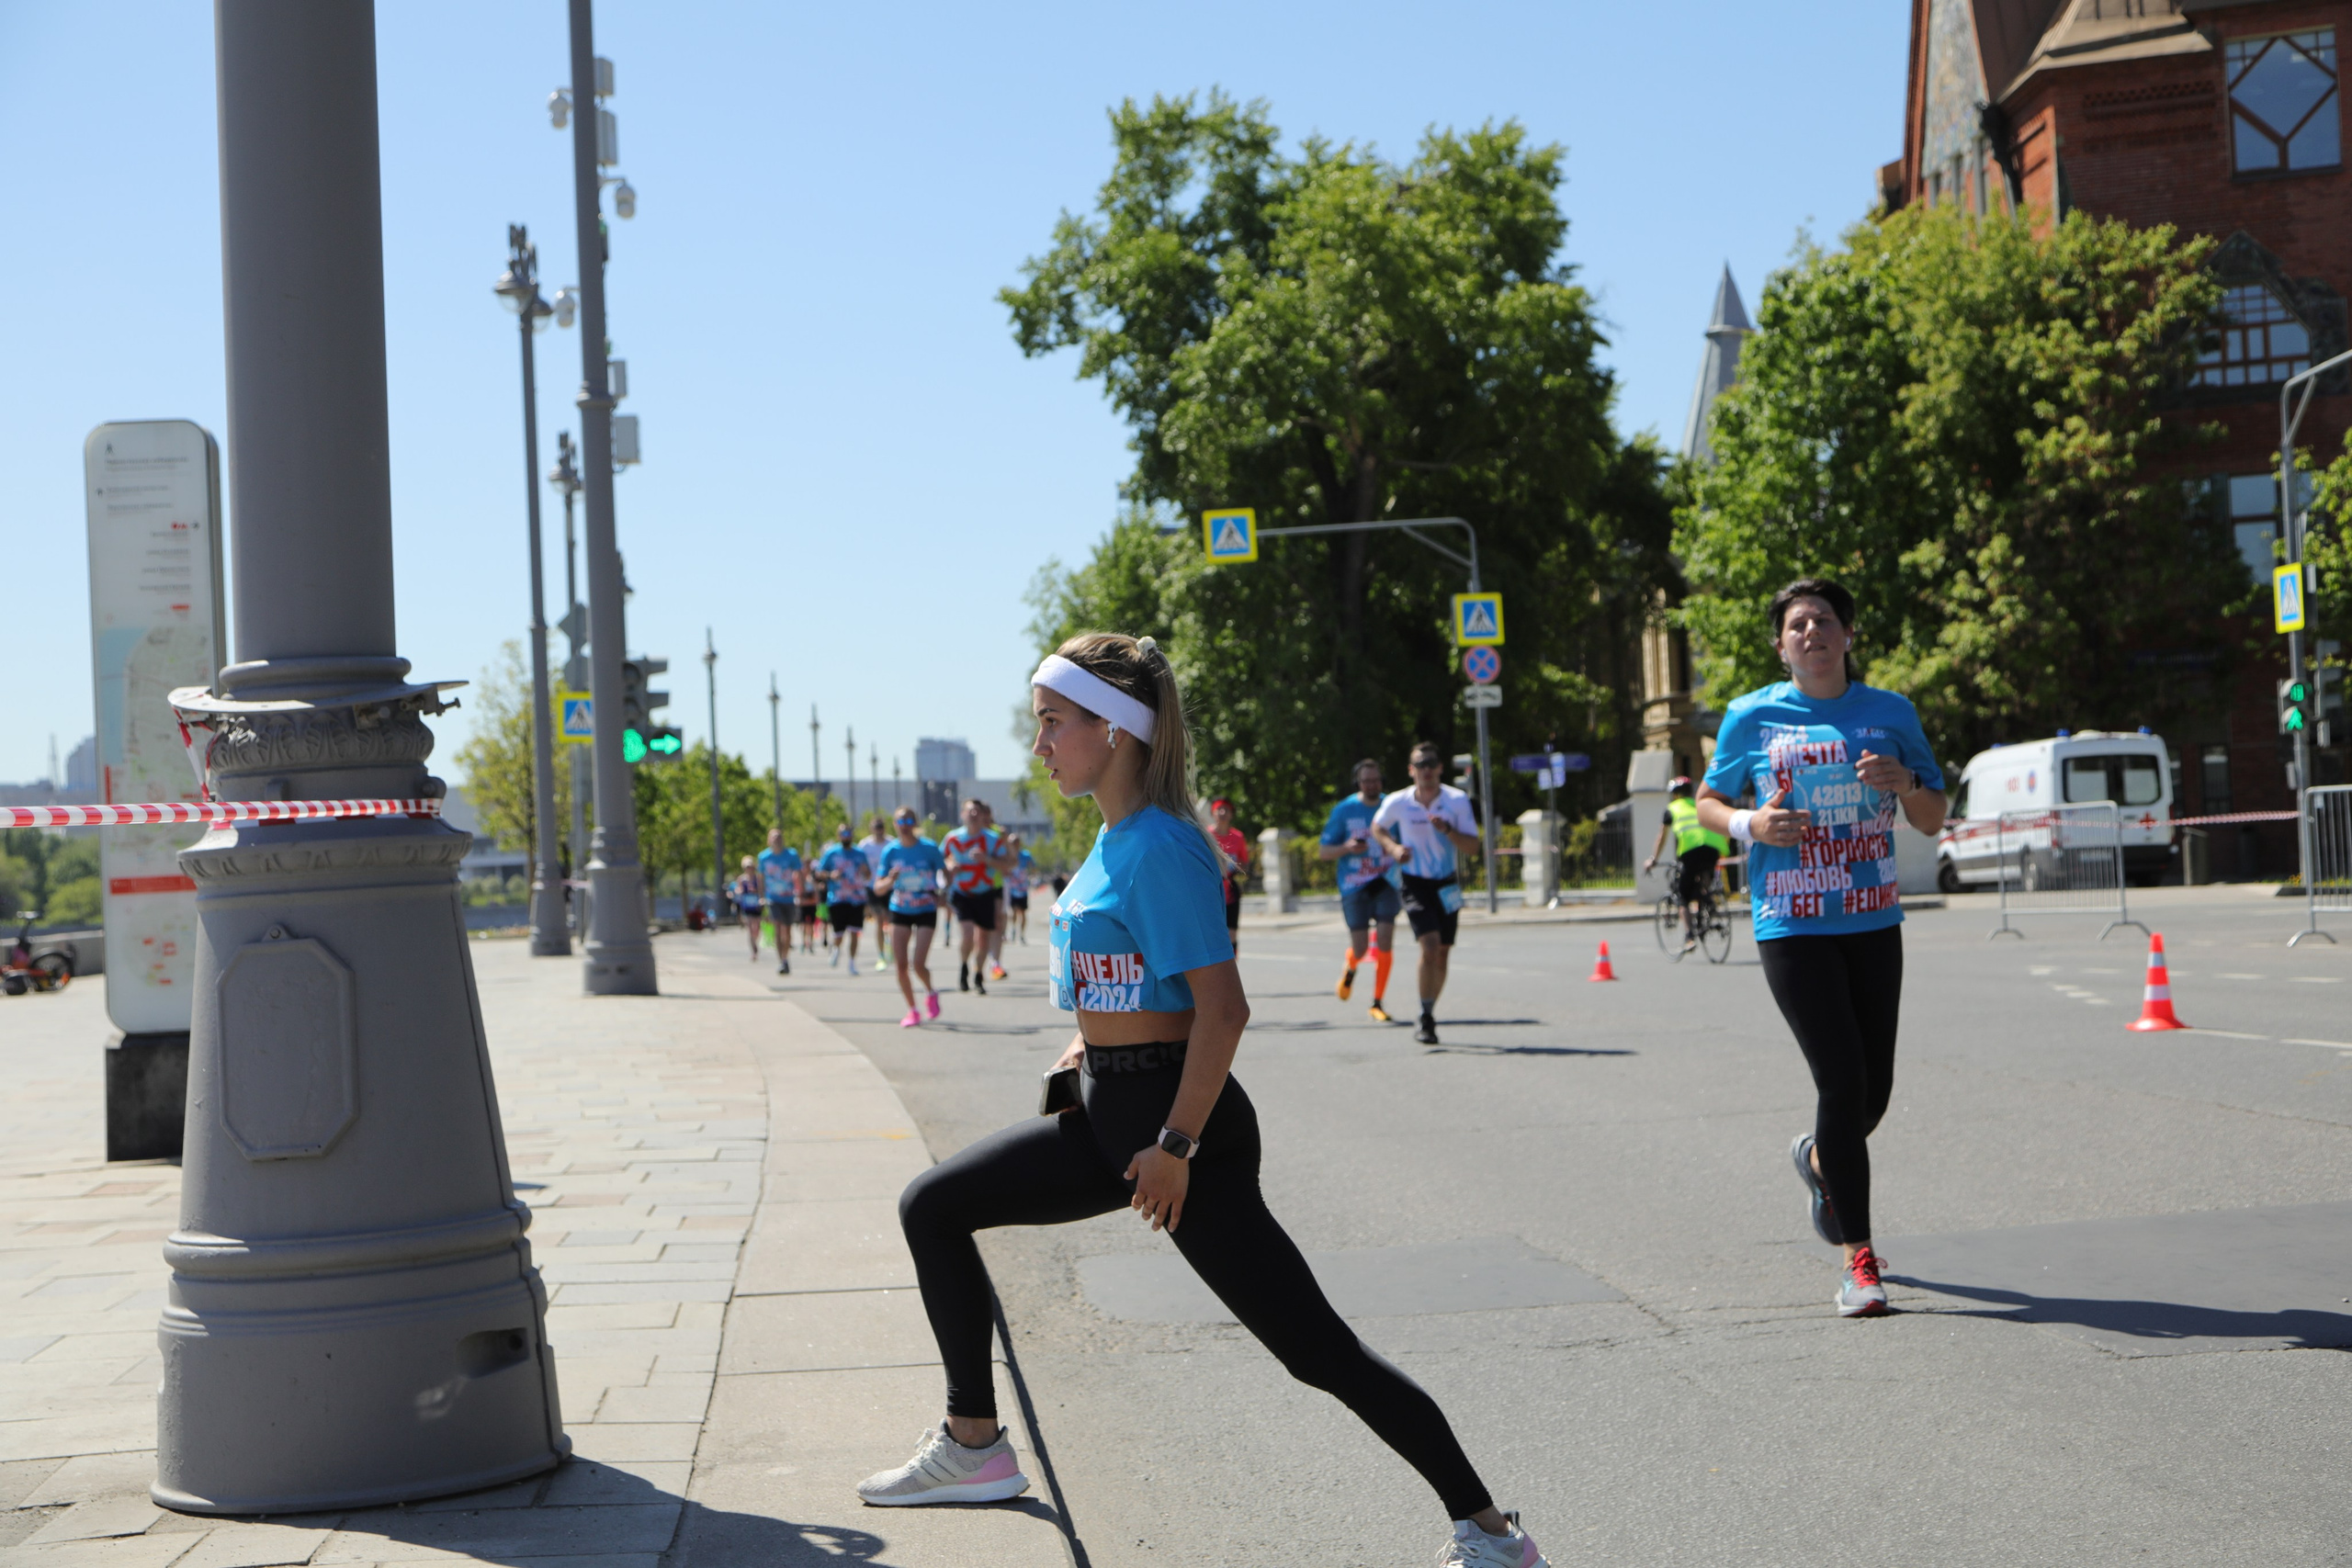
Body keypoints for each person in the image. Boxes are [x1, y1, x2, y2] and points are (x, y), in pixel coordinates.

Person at [856, 632, 1550, 1568]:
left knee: (1319, 1354)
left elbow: (1223, 1010)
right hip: (1109, 1111)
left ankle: (1492, 1533)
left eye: (1054, 724)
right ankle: (974, 1442)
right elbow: (1139, 980)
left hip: (1180, 1134)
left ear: (1115, 731)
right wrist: (1088, 1038)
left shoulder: (1162, 850)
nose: (1040, 744)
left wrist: (1176, 1145)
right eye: (1040, 725)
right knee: (932, 1207)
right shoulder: (1111, 841)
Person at [1695, 577, 1947, 1320]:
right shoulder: (1751, 715)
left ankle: (1815, 1159)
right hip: (1793, 923)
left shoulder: (1890, 713)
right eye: (1798, 624)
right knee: (1840, 1083)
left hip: (1873, 917)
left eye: (1825, 620)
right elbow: (1708, 804)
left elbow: (1932, 816)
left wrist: (1904, 783)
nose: (1812, 632)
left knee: (1873, 1094)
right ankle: (1858, 1261)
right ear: (1782, 645)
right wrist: (1749, 826)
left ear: (1847, 635)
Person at [1371, 743, 1482, 1046]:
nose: (1427, 770)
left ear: (1440, 768)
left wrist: (1448, 830)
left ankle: (1430, 1008)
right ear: (1411, 770)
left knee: (1443, 951)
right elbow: (1377, 827)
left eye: (1431, 764)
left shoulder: (1456, 800)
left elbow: (1473, 847)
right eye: (1421, 765)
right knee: (1429, 947)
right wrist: (1393, 848)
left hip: (1446, 884)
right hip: (1414, 883)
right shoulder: (1400, 801)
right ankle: (1425, 1015)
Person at [1318, 758, 1402, 1022]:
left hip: (1387, 881)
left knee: (1386, 939)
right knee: (1362, 947)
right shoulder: (1344, 810)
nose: (1371, 785)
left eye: (1376, 780)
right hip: (1354, 885)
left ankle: (1377, 1002)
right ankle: (1351, 964)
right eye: (1366, 781)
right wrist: (1347, 848)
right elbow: (1323, 851)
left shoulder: (1392, 806)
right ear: (1358, 783)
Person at [876, 807, 948, 1028]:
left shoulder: (929, 848)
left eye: (908, 821)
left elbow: (945, 874)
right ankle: (913, 1010)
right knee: (900, 965)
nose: (905, 825)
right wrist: (889, 880)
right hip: (900, 909)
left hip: (926, 907)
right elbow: (878, 888)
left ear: (914, 823)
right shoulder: (890, 851)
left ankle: (930, 991)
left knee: (918, 964)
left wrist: (943, 892)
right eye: (900, 821)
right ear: (895, 825)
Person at [1643, 776, 1729, 953]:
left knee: (1683, 896)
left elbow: (1662, 838)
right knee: (1704, 880)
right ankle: (1709, 901)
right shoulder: (1700, 805)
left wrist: (1653, 859)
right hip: (1714, 848)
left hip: (1691, 851)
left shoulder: (1672, 809)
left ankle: (1689, 937)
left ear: (1675, 795)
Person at [941, 799, 1012, 996]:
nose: (973, 815)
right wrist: (949, 865)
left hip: (985, 893)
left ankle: (978, 974)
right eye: (969, 811)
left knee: (983, 939)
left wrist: (986, 859)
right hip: (962, 893)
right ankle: (964, 965)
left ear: (982, 816)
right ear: (962, 814)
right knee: (967, 934)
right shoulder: (952, 838)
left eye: (976, 812)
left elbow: (1007, 865)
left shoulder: (992, 839)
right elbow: (942, 859)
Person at [817, 821, 871, 974]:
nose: (845, 836)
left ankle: (852, 962)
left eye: (848, 833)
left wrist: (865, 871)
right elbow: (819, 872)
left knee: (855, 932)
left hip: (857, 898)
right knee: (839, 933)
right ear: (838, 835)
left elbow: (868, 875)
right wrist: (830, 875)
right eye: (843, 834)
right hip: (837, 898)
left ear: (852, 835)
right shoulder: (831, 853)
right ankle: (836, 948)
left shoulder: (859, 853)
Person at [1207, 798, 1248, 953]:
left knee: (1232, 933)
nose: (1223, 813)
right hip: (1211, 890)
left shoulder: (1238, 837)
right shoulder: (1206, 835)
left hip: (1230, 890)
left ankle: (1232, 966)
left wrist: (1233, 867)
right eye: (1220, 809)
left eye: (1227, 810)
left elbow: (1245, 862)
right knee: (1214, 934)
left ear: (1231, 814)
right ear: (1213, 813)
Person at [757, 829, 799, 976]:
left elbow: (798, 874)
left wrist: (799, 892)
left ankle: (786, 958)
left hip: (788, 897)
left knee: (787, 931)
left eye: (779, 837)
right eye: (774, 838)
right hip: (772, 898)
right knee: (777, 927)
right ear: (769, 840)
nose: (777, 840)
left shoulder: (792, 855)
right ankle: (782, 961)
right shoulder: (763, 857)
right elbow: (760, 877)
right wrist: (761, 896)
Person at [860, 816, 894, 973]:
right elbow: (860, 865)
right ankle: (881, 955)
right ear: (871, 829)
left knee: (892, 921)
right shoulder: (865, 845)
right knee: (880, 920)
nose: (879, 831)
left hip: (890, 886)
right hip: (872, 887)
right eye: (876, 827)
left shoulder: (891, 843)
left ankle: (892, 949)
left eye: (881, 827)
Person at [729, 856, 765, 963]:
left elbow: (761, 890)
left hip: (756, 905)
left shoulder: (757, 878)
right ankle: (754, 950)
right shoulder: (741, 879)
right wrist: (737, 891)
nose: (749, 869)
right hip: (746, 906)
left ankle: (755, 940)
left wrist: (762, 899)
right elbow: (738, 889)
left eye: (750, 867)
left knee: (757, 928)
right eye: (747, 867)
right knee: (750, 928)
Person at [1002, 841, 1038, 944]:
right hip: (1012, 888)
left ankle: (1021, 934)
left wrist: (1031, 875)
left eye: (1016, 842)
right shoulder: (1007, 854)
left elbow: (1033, 866)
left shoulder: (1025, 855)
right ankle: (1013, 930)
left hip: (1022, 888)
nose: (1014, 845)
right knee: (1013, 911)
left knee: (1022, 912)